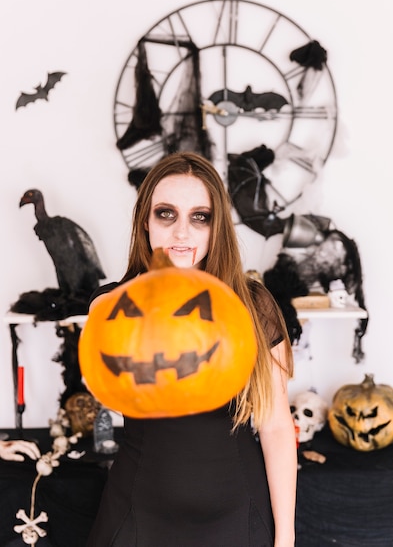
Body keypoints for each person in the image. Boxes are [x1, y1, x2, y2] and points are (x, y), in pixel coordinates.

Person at [86, 152, 297, 547]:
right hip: (138, 511)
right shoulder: (113, 305)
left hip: (237, 511)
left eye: (200, 217)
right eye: (166, 214)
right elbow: (114, 385)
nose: (182, 232)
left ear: (217, 228)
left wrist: (285, 536)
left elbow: (276, 427)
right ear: (145, 222)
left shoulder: (254, 306)